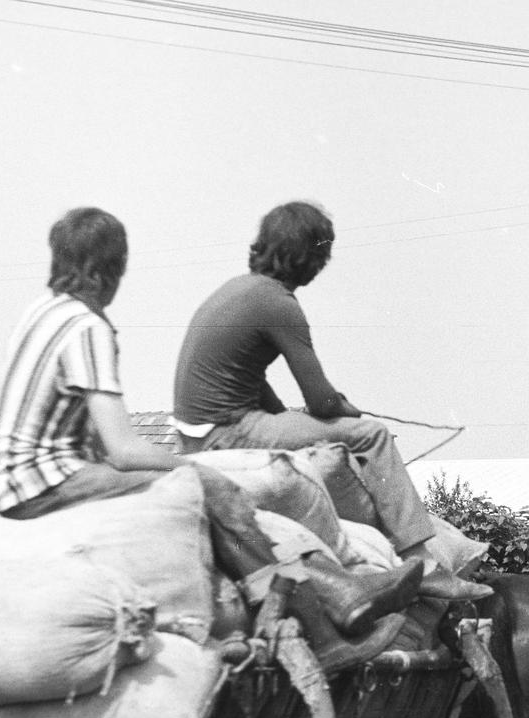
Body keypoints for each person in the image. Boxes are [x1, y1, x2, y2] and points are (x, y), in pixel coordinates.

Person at [0, 207, 424, 663]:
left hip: (14, 482)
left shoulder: (40, 313)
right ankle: (325, 621)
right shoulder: (87, 327)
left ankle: (327, 597)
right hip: (48, 482)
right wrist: (196, 472)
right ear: (110, 269)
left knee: (196, 487)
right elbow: (121, 448)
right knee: (209, 486)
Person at [171, 200, 490, 602]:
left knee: (322, 433)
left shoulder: (238, 290)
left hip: (198, 433)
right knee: (371, 435)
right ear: (309, 257)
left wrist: (289, 419)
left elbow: (248, 378)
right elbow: (321, 401)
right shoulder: (278, 303)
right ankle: (424, 564)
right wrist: (342, 408)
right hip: (226, 432)